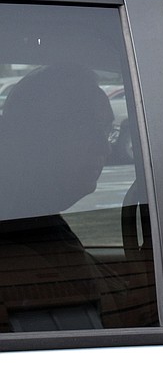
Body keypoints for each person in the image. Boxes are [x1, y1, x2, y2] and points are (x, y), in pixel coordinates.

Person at [0, 64, 116, 331]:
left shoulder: (40, 223)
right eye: (92, 131)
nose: (105, 148)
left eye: (108, 132)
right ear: (38, 138)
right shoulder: (19, 250)